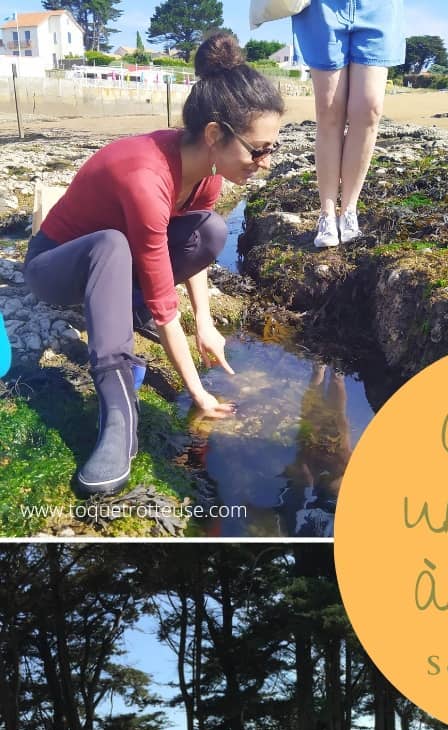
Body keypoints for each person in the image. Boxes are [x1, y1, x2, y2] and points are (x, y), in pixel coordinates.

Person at [23, 33, 285, 496]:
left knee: (212, 231)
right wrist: (199, 394)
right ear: (213, 135)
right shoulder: (146, 177)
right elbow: (166, 303)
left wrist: (204, 320)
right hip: (56, 266)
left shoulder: (206, 173)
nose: (265, 162)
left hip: (122, 257)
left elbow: (189, 252)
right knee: (110, 245)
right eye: (258, 149)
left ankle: (124, 308)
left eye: (272, 148)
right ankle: (119, 412)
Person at [292, 0, 405, 248]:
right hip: (321, 7)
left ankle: (350, 209)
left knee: (369, 108)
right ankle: (327, 213)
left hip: (378, 7)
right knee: (329, 110)